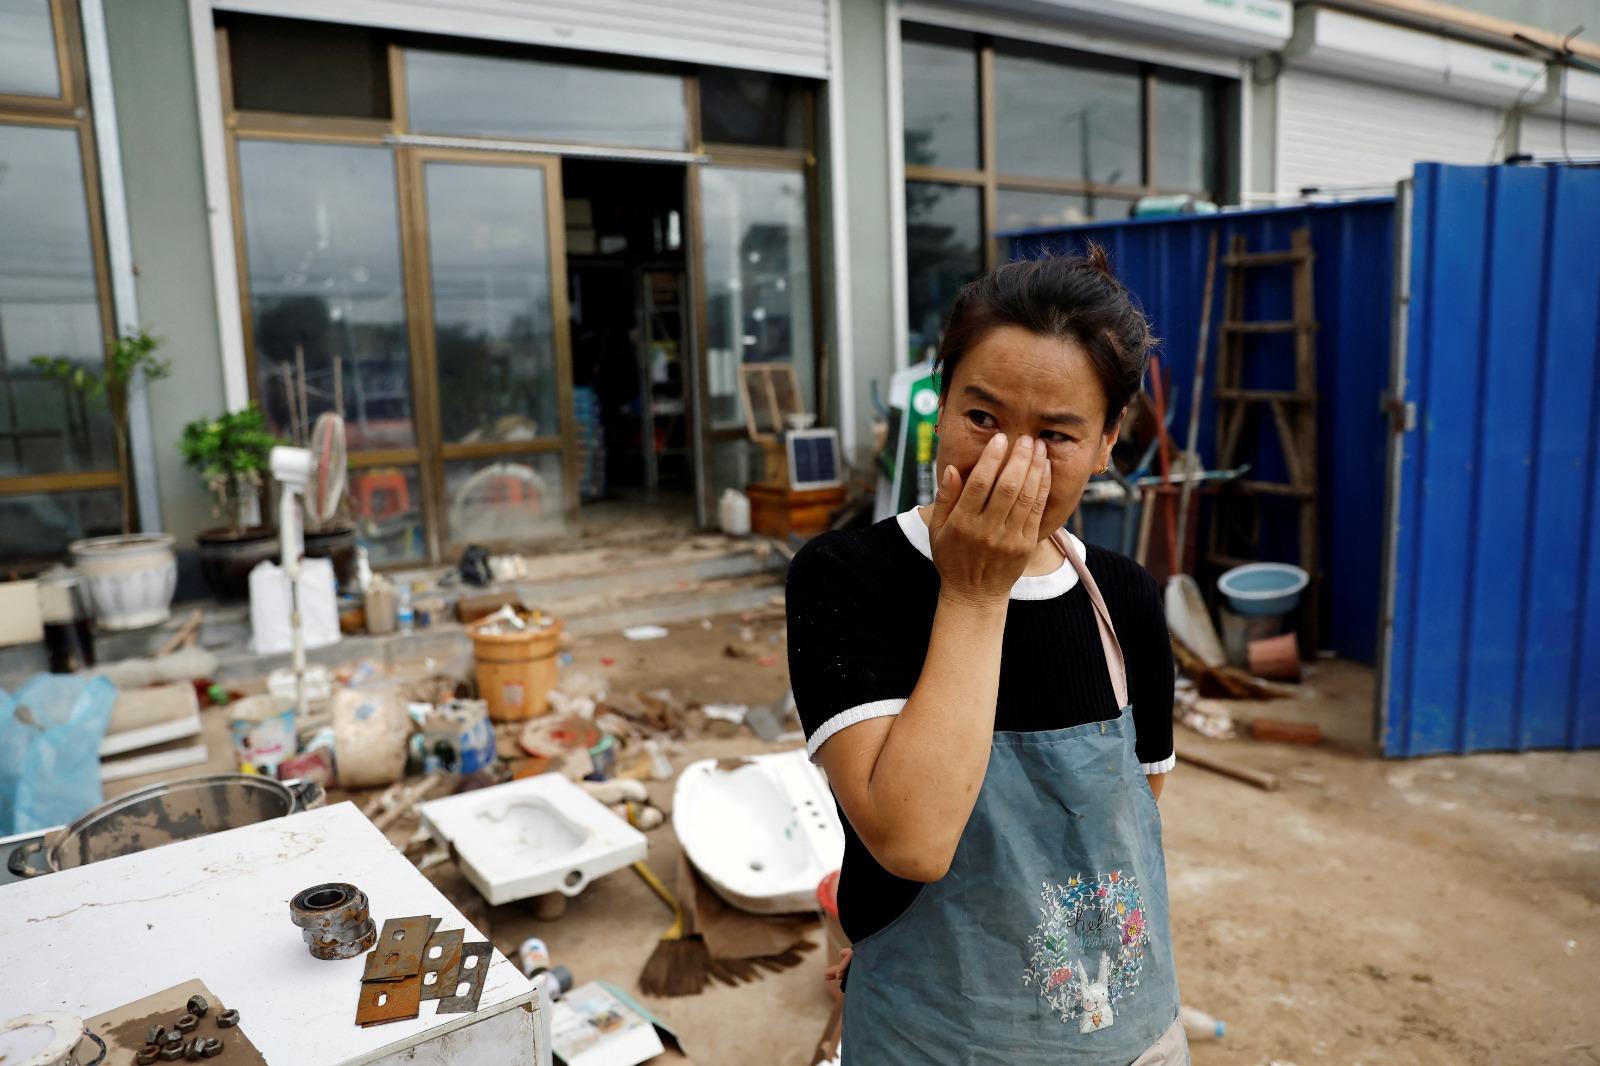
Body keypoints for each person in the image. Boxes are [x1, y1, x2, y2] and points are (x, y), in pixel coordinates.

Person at [786, 248, 1184, 1064]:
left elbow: (1127, 818)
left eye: (1056, 434)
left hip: (1119, 1031)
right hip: (937, 1034)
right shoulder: (846, 578)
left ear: (1109, 442)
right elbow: (914, 842)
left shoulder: (1127, 598)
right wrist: (974, 591)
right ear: (938, 407)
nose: (1009, 458)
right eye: (982, 418)